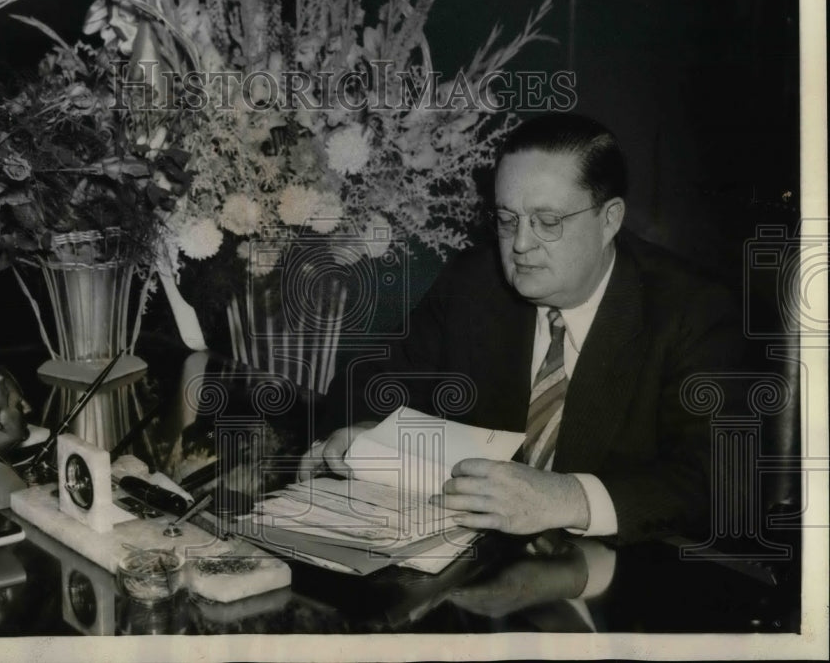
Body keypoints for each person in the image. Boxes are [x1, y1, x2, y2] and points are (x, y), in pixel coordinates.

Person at [302, 113, 744, 545]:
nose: (520, 245)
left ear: (610, 220)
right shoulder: (474, 281)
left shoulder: (692, 311)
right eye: (507, 219)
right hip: (479, 576)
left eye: (547, 222)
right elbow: (371, 381)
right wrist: (365, 432)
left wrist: (568, 497)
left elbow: (722, 482)